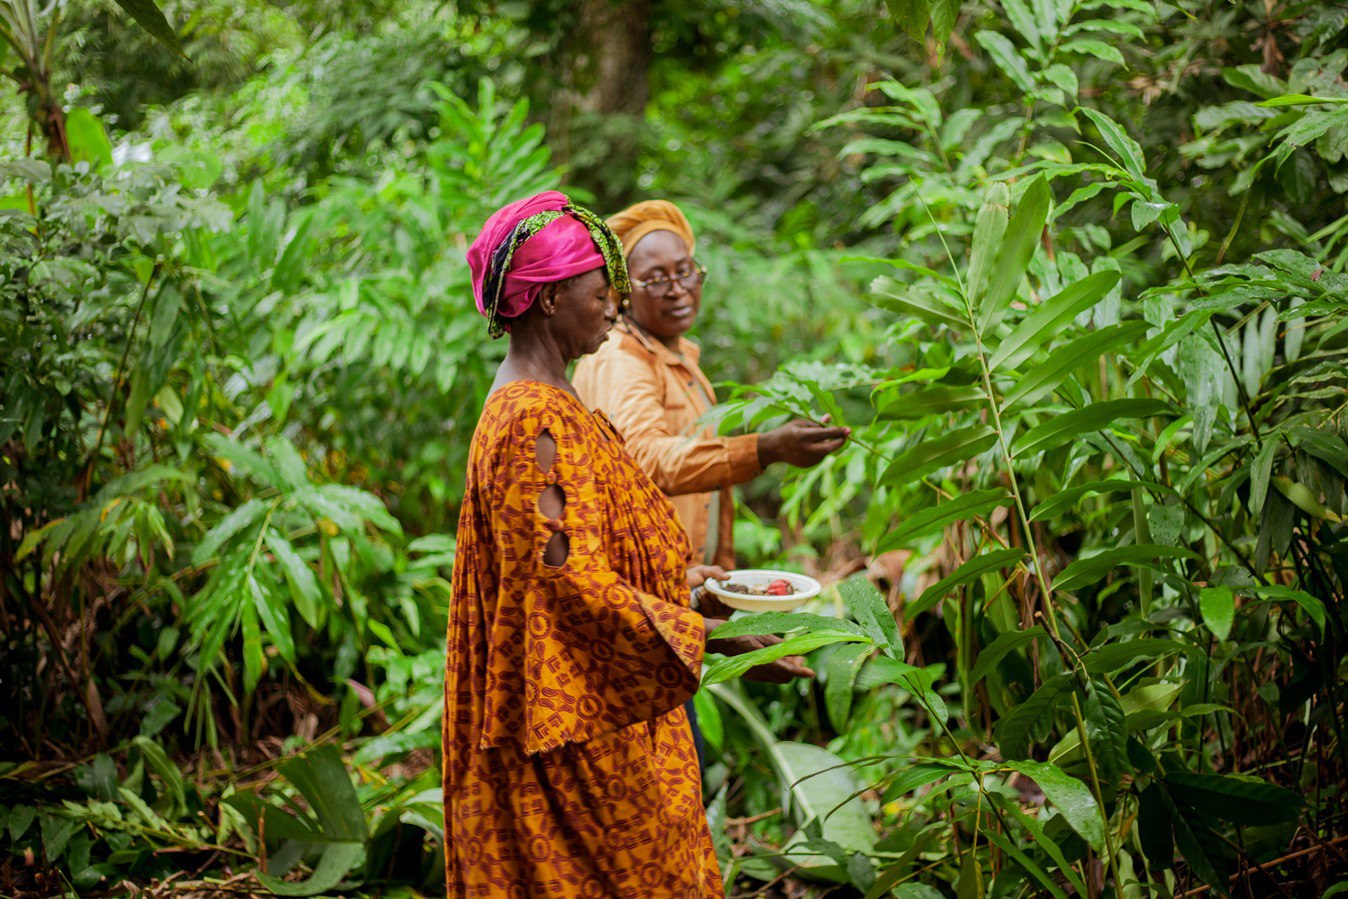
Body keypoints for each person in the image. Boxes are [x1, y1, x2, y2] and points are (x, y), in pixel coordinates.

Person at [444, 191, 802, 898]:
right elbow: (561, 584)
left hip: (597, 699)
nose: (613, 305)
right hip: (568, 720)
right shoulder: (529, 420)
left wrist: (688, 582)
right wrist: (712, 639)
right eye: (599, 290)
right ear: (547, 300)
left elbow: (580, 546)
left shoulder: (551, 397)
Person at [572, 200, 848, 571]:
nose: (677, 289)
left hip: (686, 579)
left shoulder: (678, 355)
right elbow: (643, 461)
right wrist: (763, 450)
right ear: (624, 289)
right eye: (655, 279)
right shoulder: (621, 358)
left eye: (685, 271)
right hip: (643, 588)